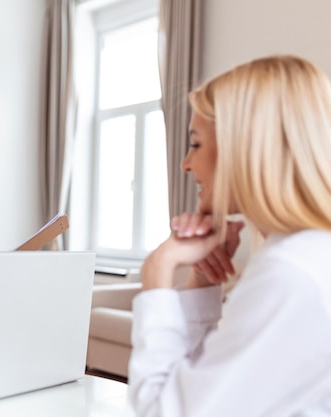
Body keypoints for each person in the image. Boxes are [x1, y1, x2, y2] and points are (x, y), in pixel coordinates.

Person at [129, 55, 331, 416]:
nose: (185, 164)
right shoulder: (309, 255)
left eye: (196, 143)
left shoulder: (290, 272)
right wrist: (203, 280)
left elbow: (166, 411)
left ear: (244, 147)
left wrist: (158, 271)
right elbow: (206, 386)